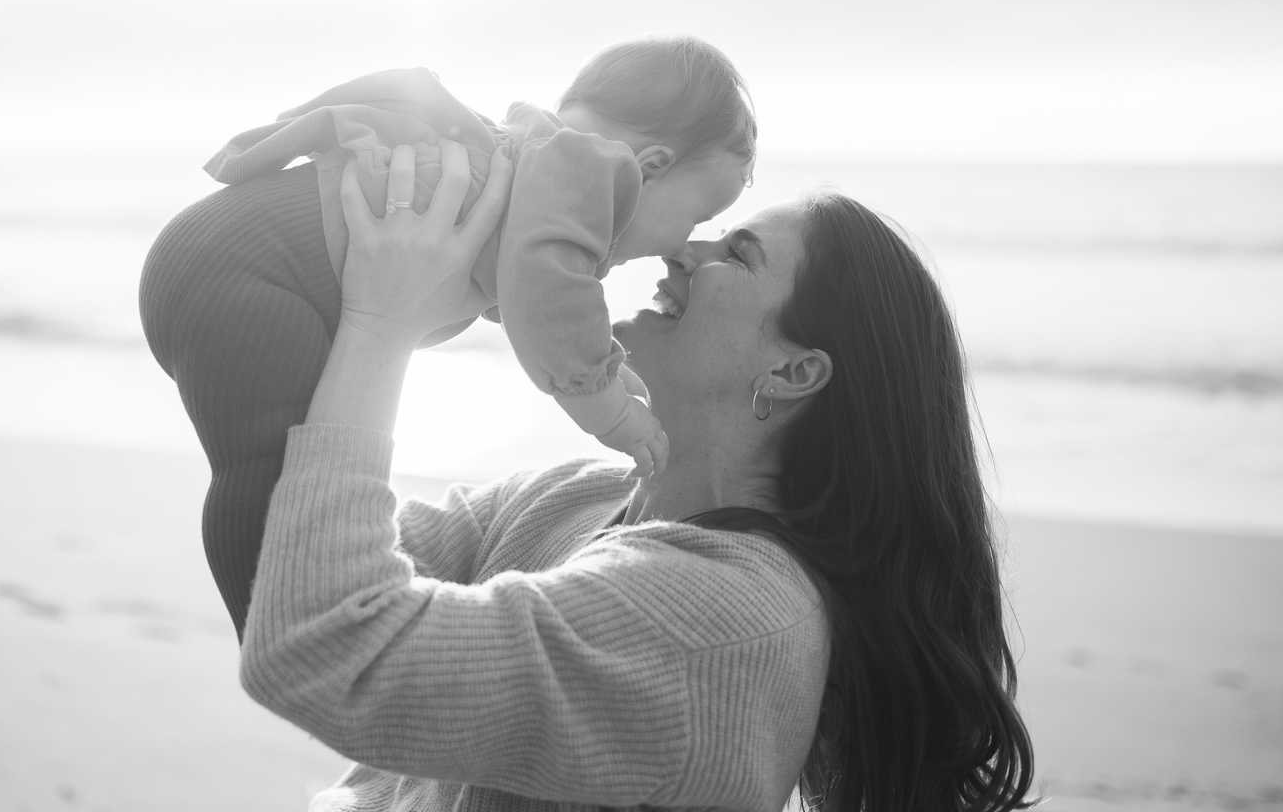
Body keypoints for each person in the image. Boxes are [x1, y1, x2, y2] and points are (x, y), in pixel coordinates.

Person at [239, 138, 1035, 812]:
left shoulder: (724, 622)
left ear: (793, 371)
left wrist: (379, 323)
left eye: (736, 255)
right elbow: (279, 558)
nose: (681, 249)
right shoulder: (574, 495)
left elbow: (326, 650)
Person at [139, 37, 755, 634]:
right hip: (252, 271)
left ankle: (286, 627)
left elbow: (530, 297)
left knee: (270, 463)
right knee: (267, 472)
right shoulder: (588, 174)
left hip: (222, 257)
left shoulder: (526, 162)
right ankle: (282, 636)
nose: (682, 244)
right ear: (650, 168)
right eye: (697, 217)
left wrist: (604, 363)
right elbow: (550, 295)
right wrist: (607, 410)